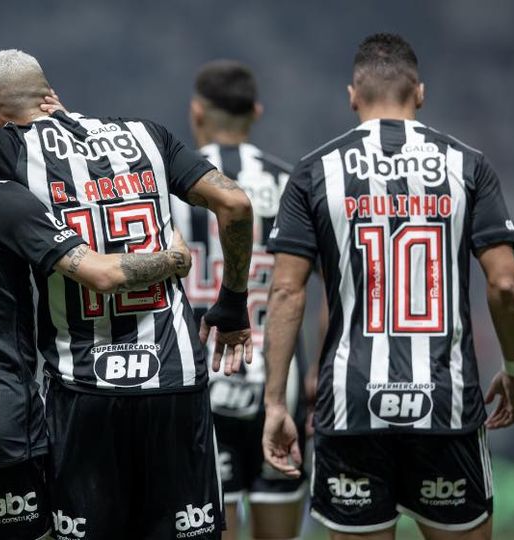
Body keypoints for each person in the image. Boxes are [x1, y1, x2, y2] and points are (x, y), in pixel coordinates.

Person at [0, 49, 256, 540]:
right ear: (47, 94)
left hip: (81, 389)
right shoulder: (150, 135)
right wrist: (230, 299)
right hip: (173, 377)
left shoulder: (5, 148)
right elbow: (235, 202)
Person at [262, 33, 514, 540]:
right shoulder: (468, 165)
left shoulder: (315, 172)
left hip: (352, 403)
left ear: (352, 95)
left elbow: (287, 293)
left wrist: (277, 403)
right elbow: (507, 284)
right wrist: (513, 370)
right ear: (420, 93)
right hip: (446, 405)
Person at [171, 59, 308, 539]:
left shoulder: (171, 184)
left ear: (197, 112)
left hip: (197, 377)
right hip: (279, 376)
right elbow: (319, 282)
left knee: (210, 522)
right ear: (256, 111)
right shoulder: (292, 183)